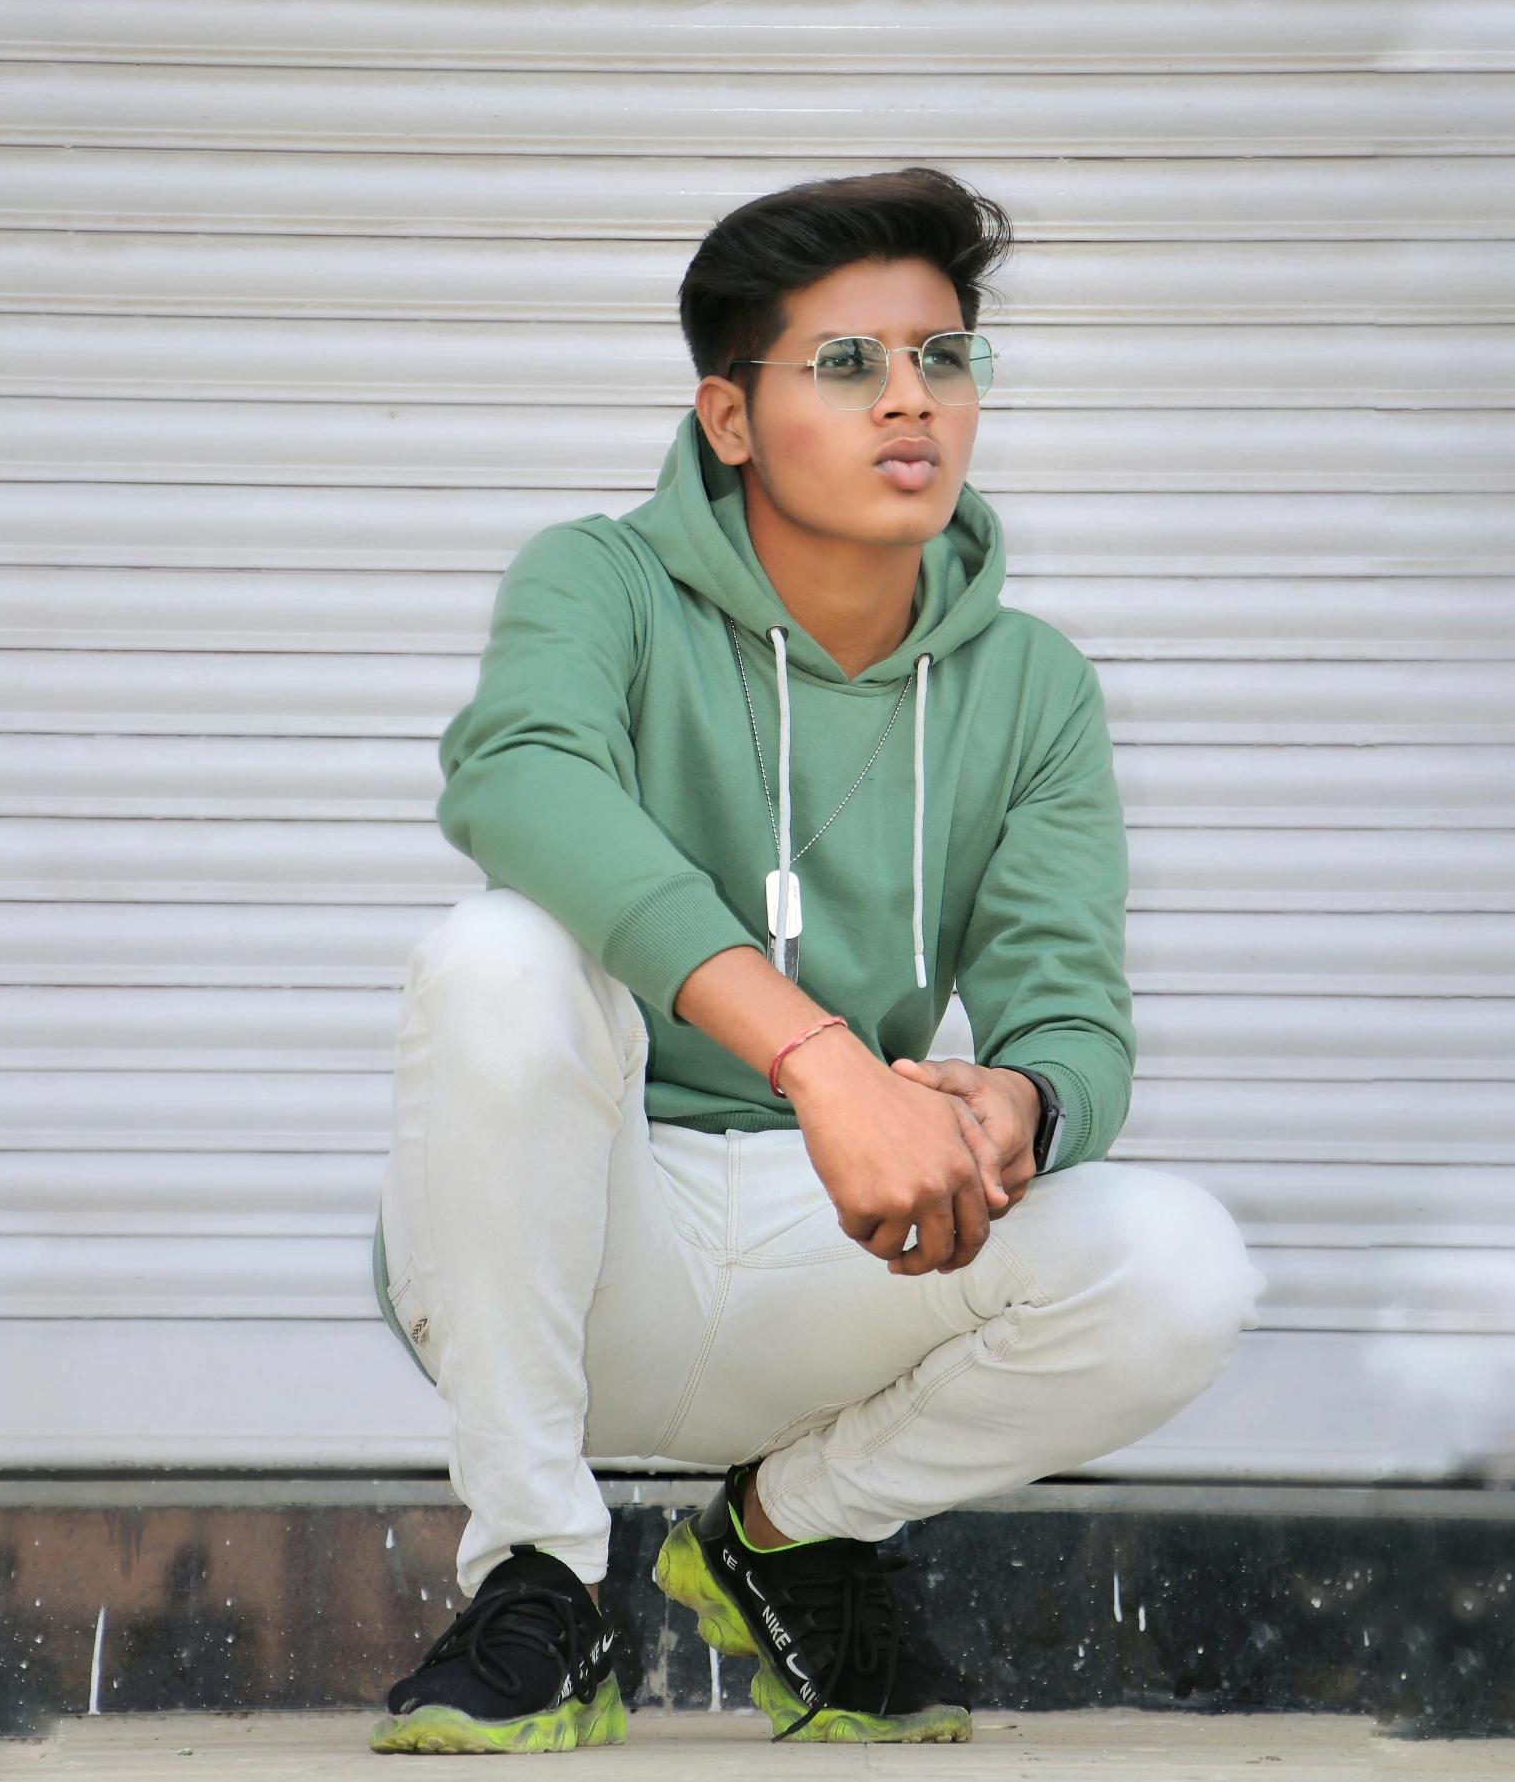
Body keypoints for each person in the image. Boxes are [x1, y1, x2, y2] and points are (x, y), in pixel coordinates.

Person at [370, 169, 1260, 1753]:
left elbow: (1075, 1010)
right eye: (846, 363)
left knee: (1181, 1261)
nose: (909, 398)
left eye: (942, 357)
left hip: (839, 1250)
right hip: (581, 1242)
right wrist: (818, 1054)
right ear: (729, 417)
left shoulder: (1033, 684)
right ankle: (538, 1578)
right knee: (498, 950)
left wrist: (1019, 1105)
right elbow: (517, 779)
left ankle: (781, 1531)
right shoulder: (600, 582)